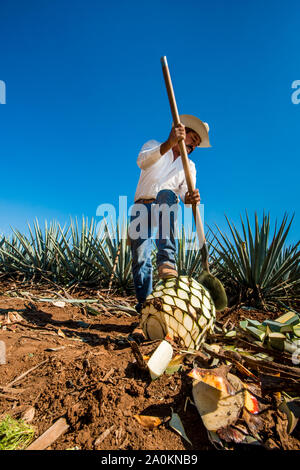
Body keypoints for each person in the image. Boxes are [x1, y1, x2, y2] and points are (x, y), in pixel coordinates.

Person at [129, 114, 211, 313]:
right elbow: (142, 161)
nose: (193, 145)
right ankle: (145, 306)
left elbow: (184, 196)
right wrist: (169, 143)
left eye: (197, 144)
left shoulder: (189, 167)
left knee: (166, 194)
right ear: (182, 132)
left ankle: (166, 261)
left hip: (165, 207)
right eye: (193, 138)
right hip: (142, 206)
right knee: (140, 258)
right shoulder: (154, 145)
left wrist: (190, 199)